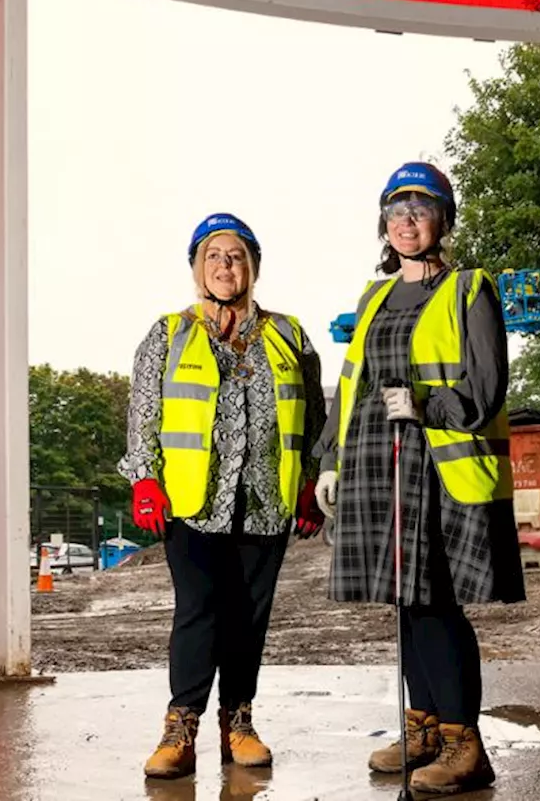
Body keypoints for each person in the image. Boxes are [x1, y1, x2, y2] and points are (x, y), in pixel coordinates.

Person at [314, 162, 524, 795]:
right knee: (405, 604)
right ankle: (424, 729)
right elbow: (352, 386)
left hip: (441, 468)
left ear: (443, 220)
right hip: (380, 462)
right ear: (384, 223)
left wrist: (429, 407)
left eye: (421, 208)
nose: (407, 221)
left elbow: (486, 388)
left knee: (435, 603)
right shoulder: (374, 297)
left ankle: (466, 744)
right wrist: (330, 459)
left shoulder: (468, 289)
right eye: (396, 210)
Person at [119, 213, 327, 780]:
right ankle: (180, 725)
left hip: (265, 498)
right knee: (198, 611)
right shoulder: (168, 333)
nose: (224, 266)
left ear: (252, 266)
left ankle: (239, 722)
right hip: (193, 501)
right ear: (196, 268)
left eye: (235, 255)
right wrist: (144, 479)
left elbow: (314, 415)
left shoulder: (289, 334)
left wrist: (309, 481)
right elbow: (144, 413)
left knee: (249, 617)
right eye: (213, 256)